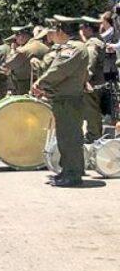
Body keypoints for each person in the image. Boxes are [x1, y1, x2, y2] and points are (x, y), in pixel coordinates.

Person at [32, 16, 89, 187]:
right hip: (64, 98)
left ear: (61, 31)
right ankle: (67, 171)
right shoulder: (72, 47)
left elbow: (59, 70)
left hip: (68, 100)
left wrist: (40, 83)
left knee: (70, 138)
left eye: (55, 30)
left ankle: (73, 175)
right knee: (64, 137)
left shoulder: (74, 48)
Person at [80, 16, 107, 142]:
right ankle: (95, 134)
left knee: (91, 110)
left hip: (92, 83)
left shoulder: (92, 43)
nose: (81, 30)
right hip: (99, 81)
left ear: (88, 28)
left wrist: (85, 79)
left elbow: (90, 62)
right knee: (93, 110)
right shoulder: (98, 40)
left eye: (83, 27)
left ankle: (94, 136)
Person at [3, 25, 49, 96]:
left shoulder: (25, 49)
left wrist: (12, 49)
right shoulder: (39, 45)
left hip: (26, 84)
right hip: (40, 82)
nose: (16, 39)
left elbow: (8, 64)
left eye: (16, 36)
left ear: (22, 36)